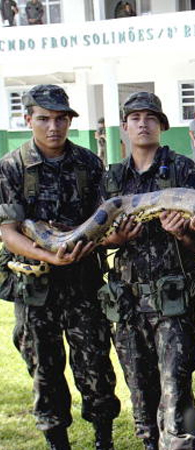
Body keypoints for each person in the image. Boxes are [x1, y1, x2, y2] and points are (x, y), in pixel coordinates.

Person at [0, 84, 120, 450]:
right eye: (45, 119)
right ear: (28, 120)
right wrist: (49, 255)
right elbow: (7, 229)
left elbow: (105, 222)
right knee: (45, 374)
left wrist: (109, 239)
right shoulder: (13, 167)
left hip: (83, 284)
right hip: (36, 292)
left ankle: (104, 440)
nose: (54, 127)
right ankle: (58, 443)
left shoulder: (88, 163)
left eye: (61, 119)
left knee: (96, 370)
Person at [100, 92, 195, 450]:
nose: (142, 123)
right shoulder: (112, 178)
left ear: (161, 125)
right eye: (134, 117)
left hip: (172, 302)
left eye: (150, 117)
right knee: (140, 392)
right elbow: (99, 238)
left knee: (176, 390)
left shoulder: (183, 169)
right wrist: (113, 239)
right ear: (125, 127)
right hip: (127, 305)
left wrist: (183, 231)